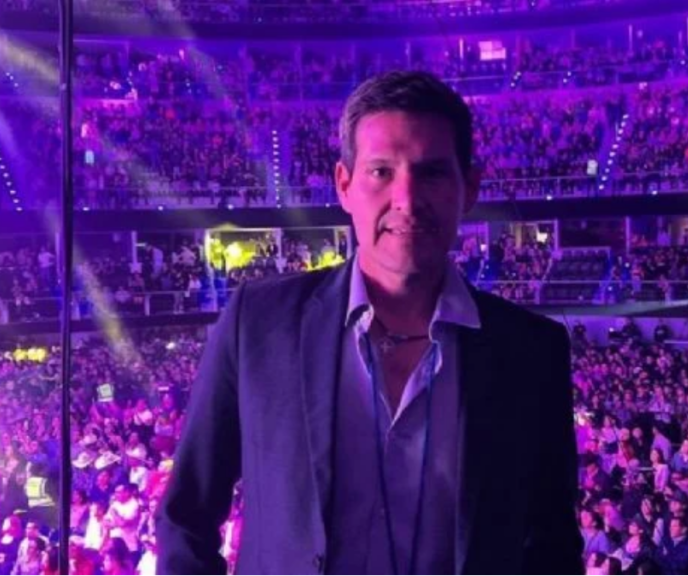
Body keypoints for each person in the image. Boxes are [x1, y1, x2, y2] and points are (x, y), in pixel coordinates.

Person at [158, 71, 582, 574]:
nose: (407, 199)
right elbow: (187, 516)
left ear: (469, 187)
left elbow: (552, 545)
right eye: (382, 171)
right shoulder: (259, 324)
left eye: (432, 173)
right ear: (344, 184)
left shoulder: (530, 351)